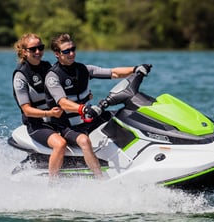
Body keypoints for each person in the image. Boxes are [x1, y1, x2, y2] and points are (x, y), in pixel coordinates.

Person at [45, 33, 151, 179]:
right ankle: (100, 179)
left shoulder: (83, 69)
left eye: (73, 49)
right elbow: (63, 102)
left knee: (124, 116)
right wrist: (83, 108)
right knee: (84, 141)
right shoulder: (52, 77)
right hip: (67, 125)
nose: (71, 53)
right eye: (66, 51)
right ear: (57, 54)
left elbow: (113, 73)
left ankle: (138, 157)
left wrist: (135, 69)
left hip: (88, 117)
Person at [12, 33, 66, 179]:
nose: (37, 52)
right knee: (60, 144)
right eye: (33, 49)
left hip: (57, 119)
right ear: (24, 52)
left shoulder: (48, 67)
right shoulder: (21, 76)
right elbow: (27, 110)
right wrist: (49, 114)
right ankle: (53, 184)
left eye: (40, 47)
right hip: (37, 124)